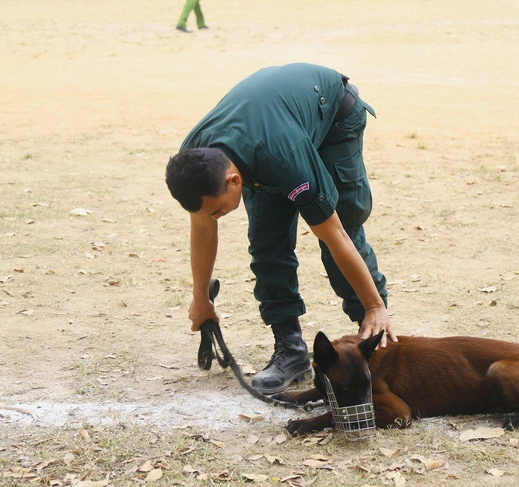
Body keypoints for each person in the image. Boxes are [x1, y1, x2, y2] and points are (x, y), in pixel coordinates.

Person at [165, 63, 397, 394]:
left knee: (341, 225)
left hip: (332, 116)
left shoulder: (283, 158)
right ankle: (290, 349)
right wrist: (201, 299)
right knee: (266, 243)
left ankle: (374, 338)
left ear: (234, 181)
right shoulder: (198, 158)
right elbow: (202, 226)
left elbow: (336, 236)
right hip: (272, 131)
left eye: (218, 210)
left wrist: (375, 307)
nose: (215, 217)